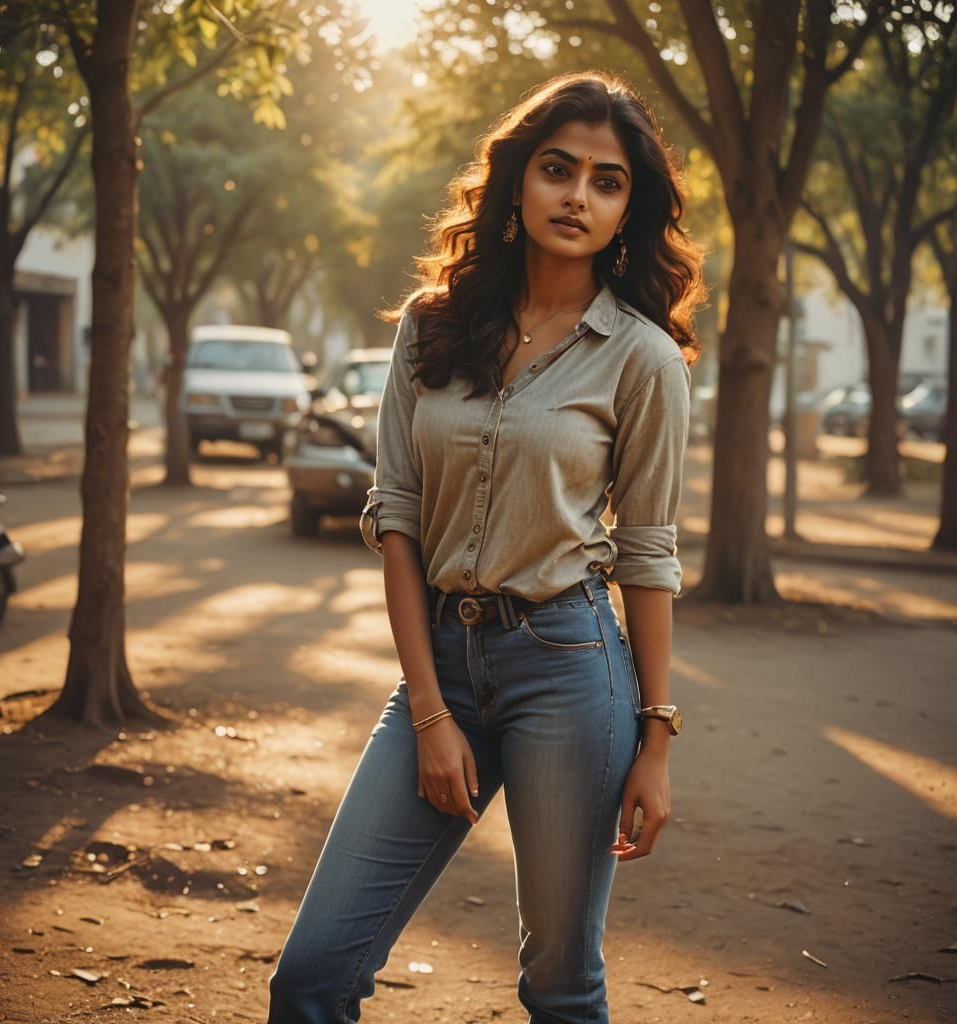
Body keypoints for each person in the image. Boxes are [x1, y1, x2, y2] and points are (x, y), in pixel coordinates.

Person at [267, 69, 706, 1024]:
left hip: (571, 670)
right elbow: (397, 514)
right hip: (440, 672)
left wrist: (657, 742)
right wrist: (428, 712)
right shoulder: (431, 325)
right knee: (309, 980)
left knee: (560, 985)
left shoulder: (642, 358)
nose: (577, 196)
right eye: (558, 170)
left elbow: (649, 551)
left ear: (630, 209)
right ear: (517, 181)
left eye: (607, 181)